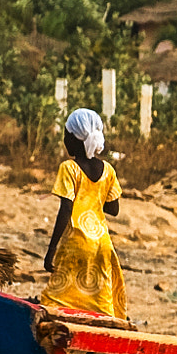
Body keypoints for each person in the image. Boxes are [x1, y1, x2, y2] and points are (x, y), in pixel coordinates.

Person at [42, 109, 127, 319]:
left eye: (66, 135)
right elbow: (113, 209)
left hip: (76, 243)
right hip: (102, 245)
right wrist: (93, 197)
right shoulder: (108, 170)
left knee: (55, 299)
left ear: (73, 139)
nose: (64, 140)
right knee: (99, 303)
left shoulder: (69, 168)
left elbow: (66, 210)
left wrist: (51, 249)